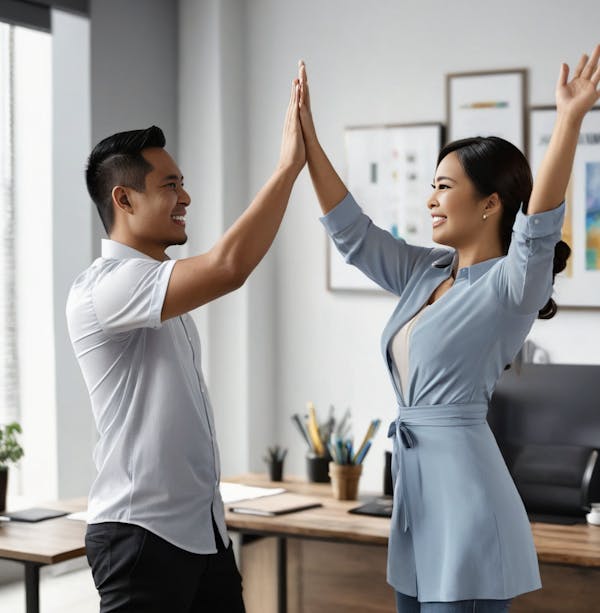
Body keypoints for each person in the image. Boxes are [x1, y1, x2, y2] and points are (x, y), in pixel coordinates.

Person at [296, 44, 600, 613]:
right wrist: (307, 143)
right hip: (416, 494)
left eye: (443, 186)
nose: (429, 198)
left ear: (488, 205)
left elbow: (538, 224)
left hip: (467, 497)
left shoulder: (512, 284)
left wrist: (570, 118)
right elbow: (352, 233)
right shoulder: (424, 270)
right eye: (431, 184)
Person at [66, 77, 305, 612]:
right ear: (123, 198)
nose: (186, 197)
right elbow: (229, 267)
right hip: (141, 536)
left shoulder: (156, 286)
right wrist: (288, 168)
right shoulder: (107, 289)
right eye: (171, 185)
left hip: (202, 532)